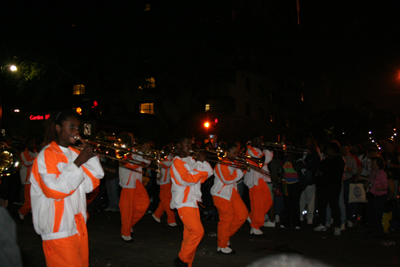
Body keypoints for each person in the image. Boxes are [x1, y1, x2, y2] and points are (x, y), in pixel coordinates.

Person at [30, 110, 104, 267]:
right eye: (71, 127)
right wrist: (78, 162)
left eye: (77, 127)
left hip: (77, 223)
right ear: (58, 128)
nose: (76, 132)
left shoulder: (74, 153)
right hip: (58, 227)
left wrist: (89, 158)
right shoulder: (47, 154)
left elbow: (92, 182)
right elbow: (54, 190)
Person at [170, 134, 213, 267]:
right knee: (197, 232)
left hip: (193, 201)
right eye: (186, 144)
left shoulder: (191, 160)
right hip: (183, 202)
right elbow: (187, 179)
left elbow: (208, 173)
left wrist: (202, 162)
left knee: (189, 235)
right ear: (178, 146)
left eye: (191, 144)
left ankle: (187, 264)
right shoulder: (176, 162)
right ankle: (182, 260)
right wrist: (199, 165)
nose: (190, 147)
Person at [210, 142, 248, 254]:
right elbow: (227, 179)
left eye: (237, 152)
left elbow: (237, 177)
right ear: (227, 152)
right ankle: (222, 245)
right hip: (221, 194)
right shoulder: (221, 164)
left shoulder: (232, 162)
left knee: (243, 214)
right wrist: (241, 170)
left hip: (232, 192)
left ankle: (225, 235)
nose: (237, 154)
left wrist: (243, 168)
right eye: (235, 152)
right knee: (226, 219)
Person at [118, 133, 152, 242]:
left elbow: (145, 163)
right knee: (127, 210)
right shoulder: (121, 150)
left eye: (133, 137)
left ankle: (127, 225)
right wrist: (141, 152)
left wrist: (148, 156)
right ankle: (126, 232)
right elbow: (132, 164)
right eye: (131, 137)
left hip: (137, 182)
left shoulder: (135, 150)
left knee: (144, 203)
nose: (133, 139)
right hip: (128, 184)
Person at [244, 135, 273, 234]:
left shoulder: (258, 150)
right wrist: (268, 151)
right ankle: (255, 226)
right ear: (254, 141)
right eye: (259, 140)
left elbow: (265, 161)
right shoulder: (251, 150)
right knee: (258, 204)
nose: (262, 142)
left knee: (268, 201)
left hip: (260, 179)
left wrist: (268, 151)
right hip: (254, 181)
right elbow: (263, 161)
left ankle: (252, 217)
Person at [314, 141, 345, 236]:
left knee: (334, 206)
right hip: (324, 186)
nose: (327, 151)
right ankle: (323, 223)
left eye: (329, 149)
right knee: (322, 205)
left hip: (333, 186)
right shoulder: (326, 160)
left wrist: (324, 174)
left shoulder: (338, 160)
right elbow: (320, 170)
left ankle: (337, 226)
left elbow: (335, 174)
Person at [152, 146, 177, 226]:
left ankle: (156, 214)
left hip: (168, 181)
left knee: (164, 200)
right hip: (164, 181)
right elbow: (167, 164)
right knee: (167, 201)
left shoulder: (170, 156)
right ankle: (171, 220)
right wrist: (176, 159)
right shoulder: (162, 156)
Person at [366, 155, 388, 237]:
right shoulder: (373, 172)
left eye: (373, 163)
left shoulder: (381, 173)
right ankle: (373, 229)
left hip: (379, 196)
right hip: (373, 195)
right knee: (370, 213)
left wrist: (379, 188)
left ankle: (380, 232)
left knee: (377, 214)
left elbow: (385, 185)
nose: (371, 164)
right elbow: (370, 181)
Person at [18, 137, 38, 220]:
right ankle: (22, 212)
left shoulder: (36, 153)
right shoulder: (23, 153)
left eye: (33, 143)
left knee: (36, 200)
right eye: (30, 143)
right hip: (28, 180)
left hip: (36, 181)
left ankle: (33, 217)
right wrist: (37, 159)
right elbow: (27, 162)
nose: (32, 145)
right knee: (29, 201)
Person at [341, 142, 358, 227]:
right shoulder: (339, 158)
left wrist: (350, 169)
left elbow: (356, 171)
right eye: (343, 149)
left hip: (348, 181)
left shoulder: (352, 159)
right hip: (340, 181)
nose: (345, 151)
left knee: (349, 200)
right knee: (341, 201)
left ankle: (349, 219)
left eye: (346, 149)